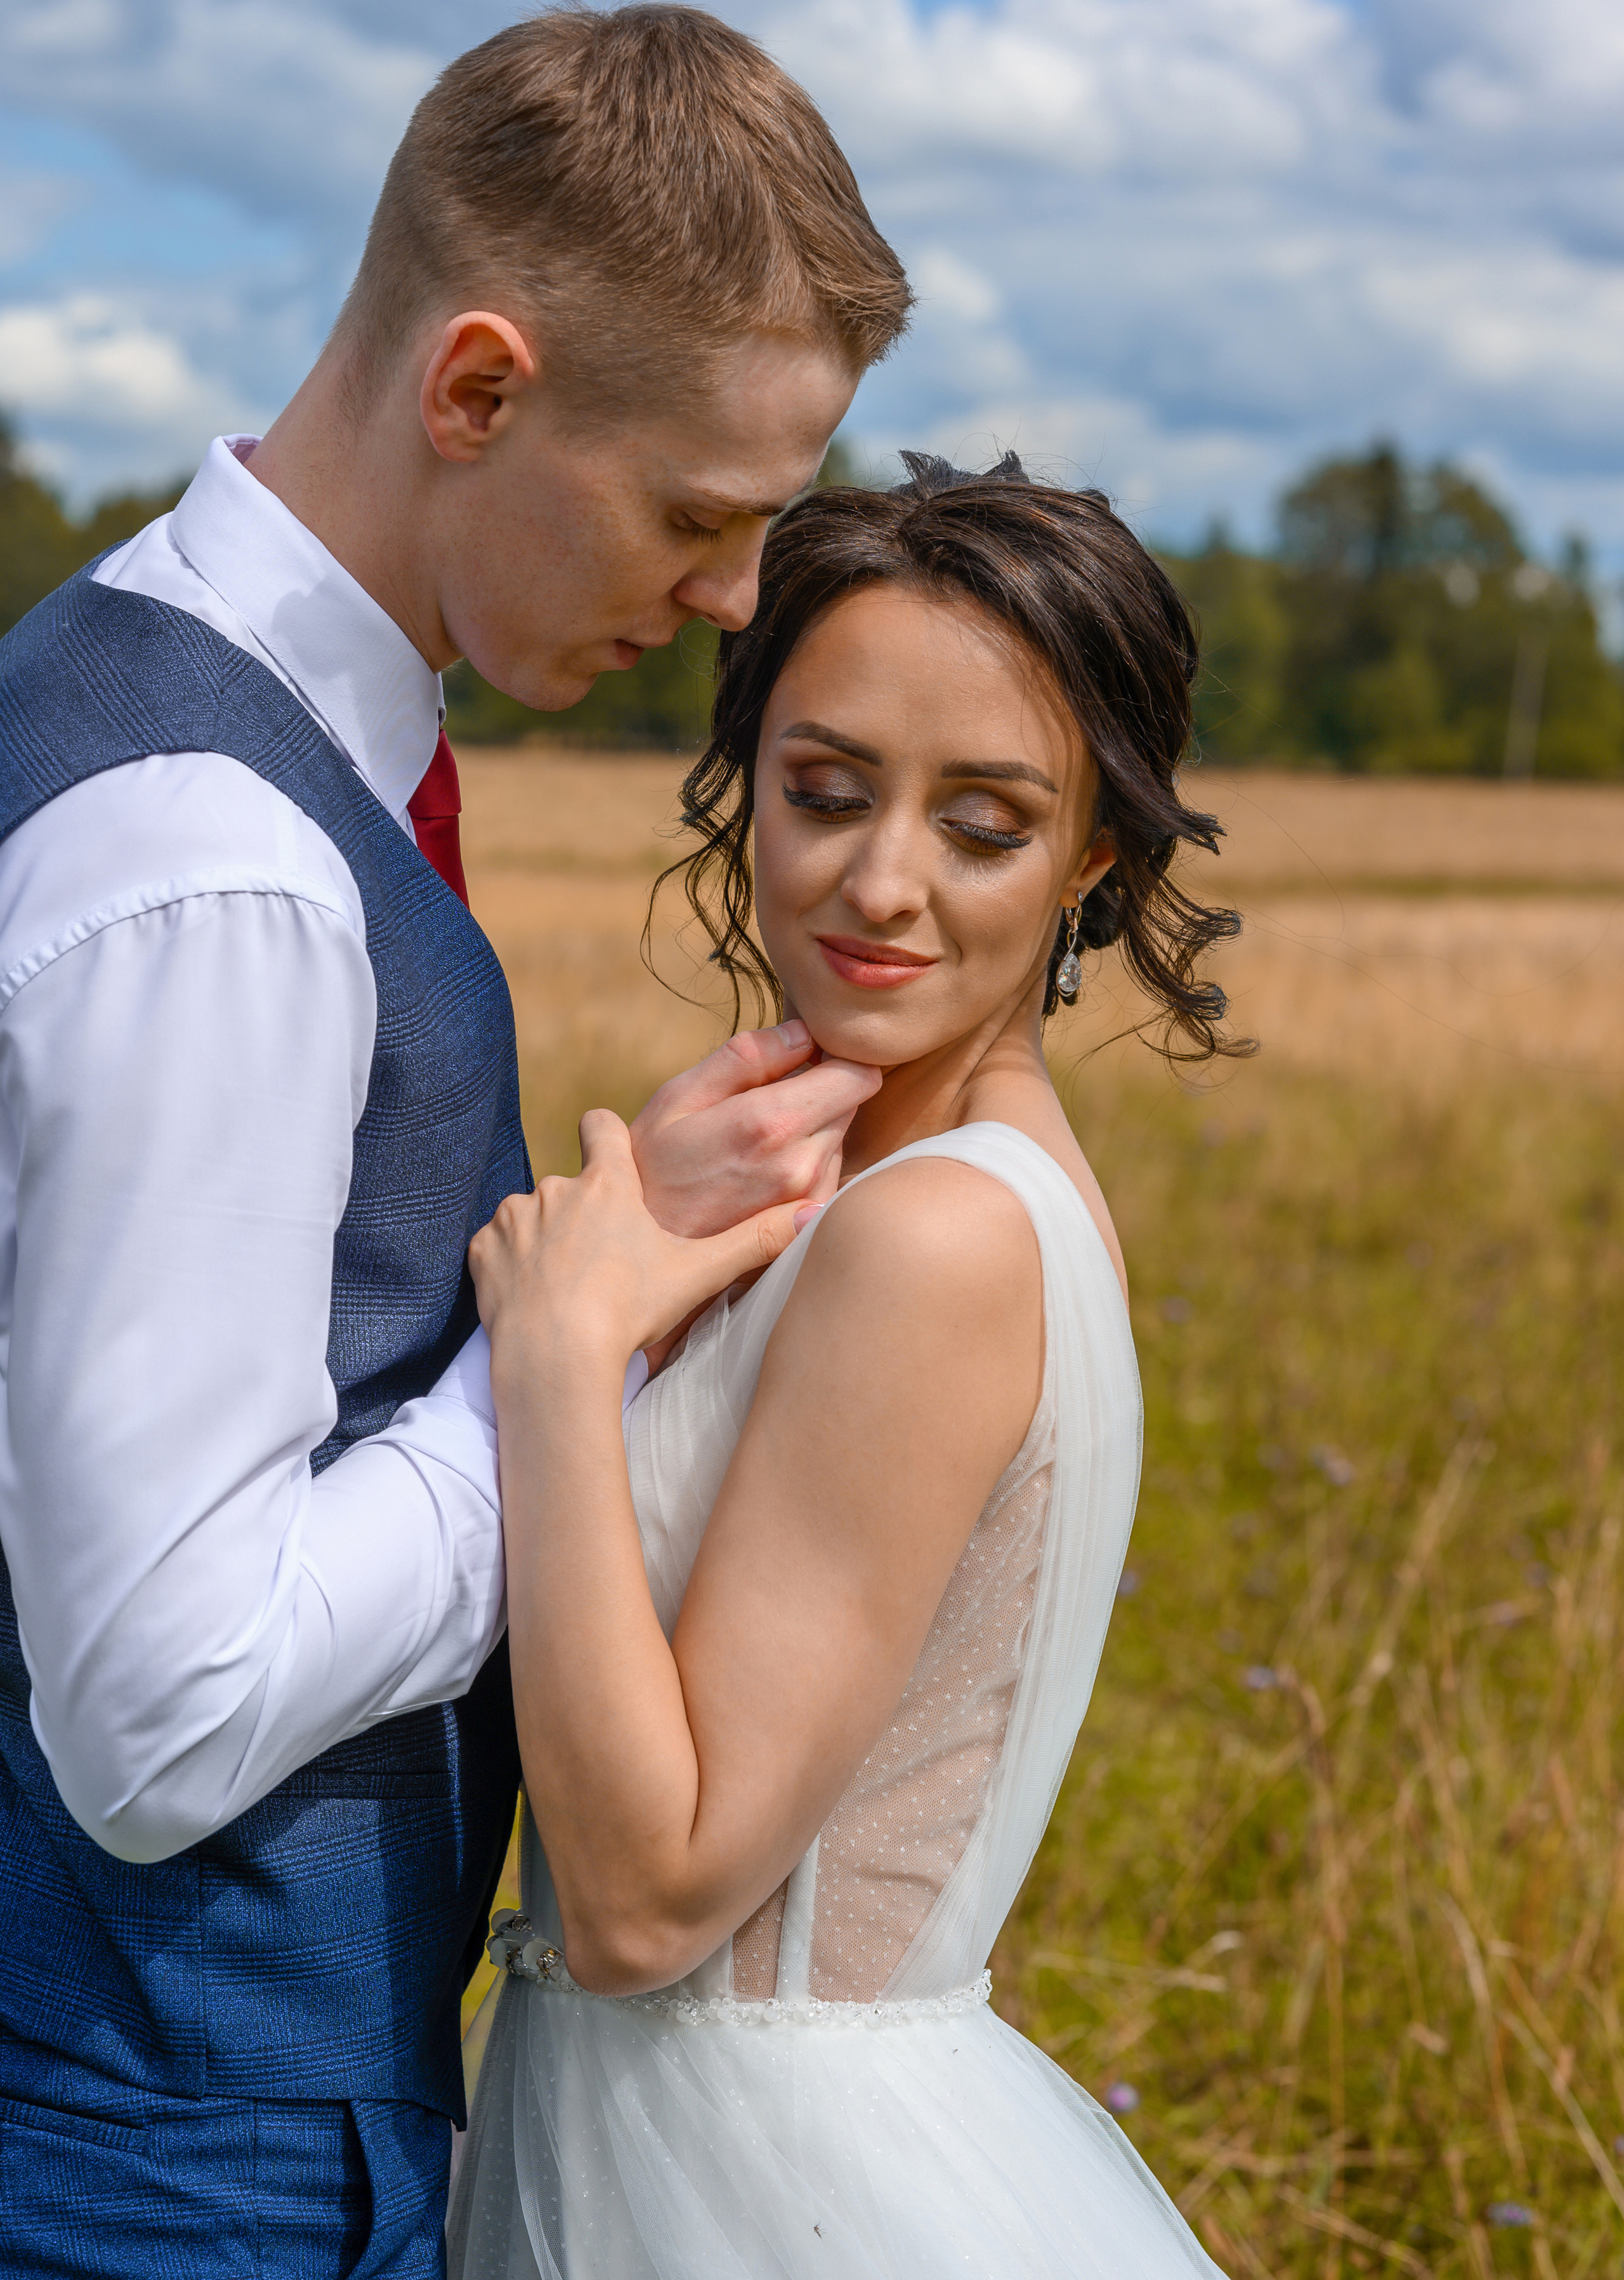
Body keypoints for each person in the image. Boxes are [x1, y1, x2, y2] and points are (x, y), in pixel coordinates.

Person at [0, 6, 910, 2276]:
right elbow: (159, 1700)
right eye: (700, 518)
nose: (726, 604)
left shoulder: (136, 690)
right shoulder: (224, 866)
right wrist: (554, 1372)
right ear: (480, 388)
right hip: (170, 2156)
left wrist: (613, 1229)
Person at [449, 452, 1245, 2277]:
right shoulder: (873, 1183)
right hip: (693, 2134)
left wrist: (564, 1355)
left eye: (983, 825)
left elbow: (653, 1901)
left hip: (749, 2175)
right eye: (823, 792)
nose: (882, 884)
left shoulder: (937, 1237)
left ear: (1094, 858)